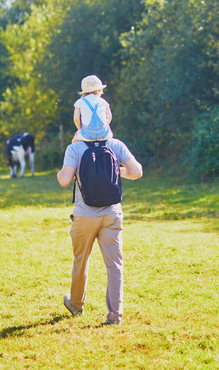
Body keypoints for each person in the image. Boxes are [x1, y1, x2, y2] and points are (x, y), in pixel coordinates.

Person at [57, 136, 143, 326]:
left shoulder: (75, 148)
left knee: (81, 261)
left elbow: (64, 180)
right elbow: (136, 172)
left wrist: (72, 172)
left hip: (85, 215)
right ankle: (114, 316)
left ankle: (76, 305)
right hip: (112, 213)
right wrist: (110, 171)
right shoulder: (116, 144)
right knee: (115, 265)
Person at [72, 75, 113, 143]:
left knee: (73, 143)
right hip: (104, 135)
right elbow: (110, 117)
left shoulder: (79, 102)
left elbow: (76, 119)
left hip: (87, 135)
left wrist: (80, 130)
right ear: (100, 90)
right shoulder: (103, 101)